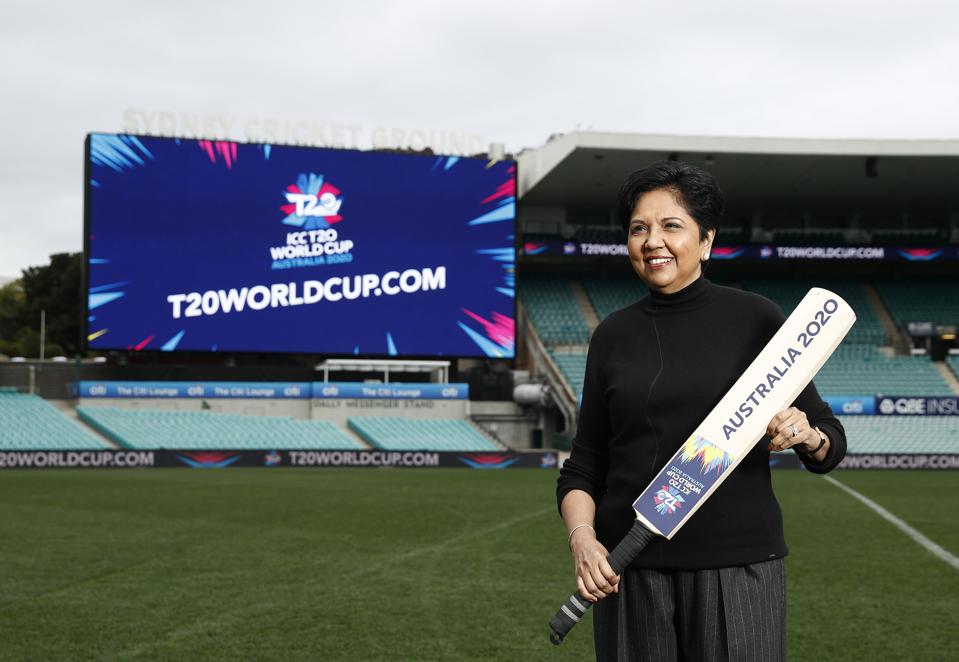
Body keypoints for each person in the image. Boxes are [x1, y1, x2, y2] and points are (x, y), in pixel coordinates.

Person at [556, 161, 846, 662]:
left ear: (706, 240)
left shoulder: (755, 319)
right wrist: (583, 539)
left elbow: (829, 441)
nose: (653, 241)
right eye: (639, 228)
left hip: (739, 569)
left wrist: (805, 433)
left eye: (672, 226)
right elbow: (584, 467)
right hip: (632, 568)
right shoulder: (612, 336)